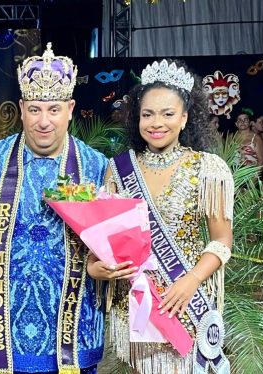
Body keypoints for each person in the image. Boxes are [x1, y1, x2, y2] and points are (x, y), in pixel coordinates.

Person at [0, 43, 108, 373]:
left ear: (70, 108)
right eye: (36, 109)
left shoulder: (98, 168)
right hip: (0, 324)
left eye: (53, 109)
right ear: (22, 108)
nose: (44, 121)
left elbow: (111, 241)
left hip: (74, 324)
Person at [98, 59, 233, 373]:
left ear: (185, 118)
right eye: (147, 114)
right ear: (137, 118)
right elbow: (107, 240)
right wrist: (99, 265)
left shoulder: (208, 168)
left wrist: (191, 281)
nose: (156, 123)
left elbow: (222, 241)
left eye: (168, 114)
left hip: (185, 299)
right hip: (136, 301)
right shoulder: (118, 170)